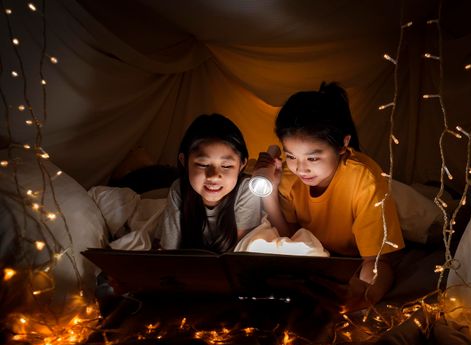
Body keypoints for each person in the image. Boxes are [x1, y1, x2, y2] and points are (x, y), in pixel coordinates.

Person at [257, 82, 405, 311]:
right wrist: (270, 195)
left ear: (343, 144)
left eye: (313, 158)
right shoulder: (288, 176)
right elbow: (291, 237)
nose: (301, 168)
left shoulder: (364, 179)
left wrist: (364, 297)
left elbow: (377, 262)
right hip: (319, 255)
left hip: (360, 254)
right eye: (292, 156)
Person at [155, 113, 262, 253]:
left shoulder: (247, 190)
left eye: (226, 166)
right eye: (203, 164)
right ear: (184, 161)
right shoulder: (179, 188)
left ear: (242, 165)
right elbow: (169, 251)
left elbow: (237, 254)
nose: (213, 176)